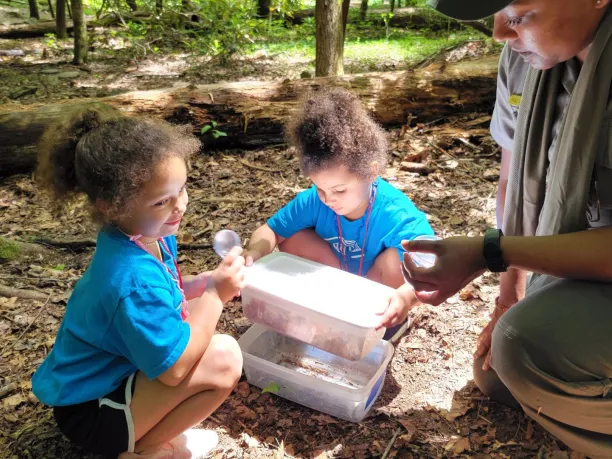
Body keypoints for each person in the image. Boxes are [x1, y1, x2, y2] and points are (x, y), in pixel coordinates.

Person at [401, 0, 612, 456]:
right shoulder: (526, 64)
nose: (499, 33)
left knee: (525, 348)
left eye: (516, 14)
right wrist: (507, 296)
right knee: (496, 373)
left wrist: (491, 252)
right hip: (590, 270)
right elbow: (513, 181)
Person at [31, 108, 246, 459]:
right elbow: (175, 370)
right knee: (223, 357)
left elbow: (166, 291)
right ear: (113, 206)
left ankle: (145, 434)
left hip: (108, 386)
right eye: (162, 201)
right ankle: (144, 450)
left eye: (182, 189)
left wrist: (199, 284)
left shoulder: (145, 234)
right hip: (92, 413)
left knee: (193, 320)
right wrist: (214, 295)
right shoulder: (131, 279)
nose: (180, 206)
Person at [243, 88, 434, 339]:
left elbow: (432, 262)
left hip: (377, 288)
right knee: (291, 235)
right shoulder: (315, 201)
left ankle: (389, 321)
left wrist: (406, 298)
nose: (329, 199)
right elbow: (270, 230)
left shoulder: (395, 213)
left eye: (340, 190)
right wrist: (253, 253)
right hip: (333, 280)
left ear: (370, 172)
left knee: (399, 259)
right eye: (320, 188)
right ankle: (325, 309)